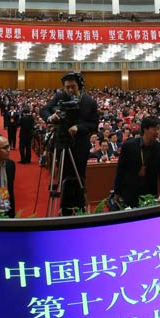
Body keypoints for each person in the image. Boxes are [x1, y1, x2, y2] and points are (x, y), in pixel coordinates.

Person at [40, 72, 99, 214]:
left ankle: (79, 209)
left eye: (73, 87)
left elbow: (93, 124)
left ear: (80, 86)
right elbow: (45, 110)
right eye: (67, 87)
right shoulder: (60, 96)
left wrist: (78, 128)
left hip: (80, 145)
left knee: (79, 178)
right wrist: (50, 117)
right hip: (63, 143)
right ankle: (64, 209)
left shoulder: (89, 102)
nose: (70, 90)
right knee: (65, 178)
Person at [113, 116, 160, 207]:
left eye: (158, 129)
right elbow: (120, 170)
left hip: (149, 192)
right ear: (145, 129)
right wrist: (117, 192)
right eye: (154, 129)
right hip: (129, 191)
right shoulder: (129, 146)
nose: (157, 132)